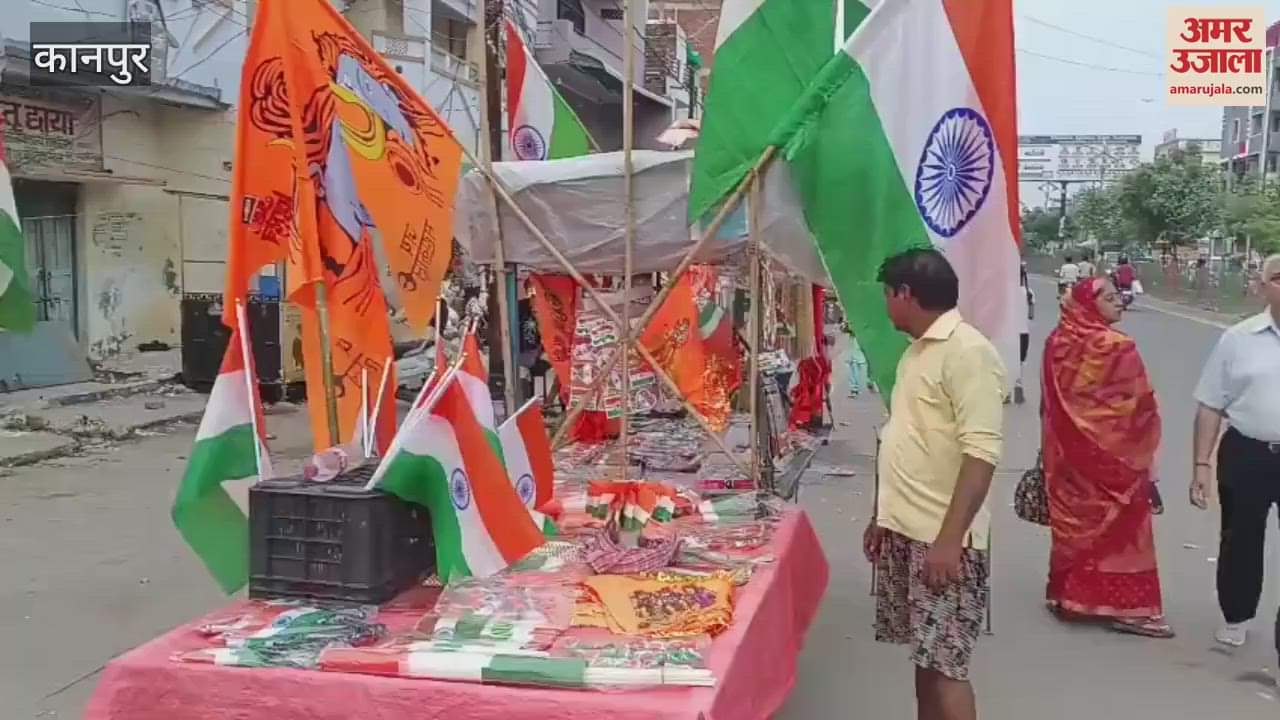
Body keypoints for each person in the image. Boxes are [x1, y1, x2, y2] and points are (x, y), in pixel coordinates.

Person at [863, 248, 1004, 720]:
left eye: (887, 294)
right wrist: (882, 516)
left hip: (942, 537)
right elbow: (907, 436)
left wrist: (949, 540)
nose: (886, 305)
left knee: (947, 667)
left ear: (905, 294)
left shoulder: (968, 353)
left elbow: (981, 454)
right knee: (925, 657)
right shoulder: (917, 352)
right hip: (906, 529)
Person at [1041, 277, 1173, 638]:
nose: (1119, 302)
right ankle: (1130, 610)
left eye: (1119, 296)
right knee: (1126, 531)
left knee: (1076, 525)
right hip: (1118, 459)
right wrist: (1144, 452)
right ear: (1089, 304)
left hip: (1068, 457)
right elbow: (1139, 406)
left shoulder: (1057, 342)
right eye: (1110, 297)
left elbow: (1050, 406)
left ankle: (1069, 598)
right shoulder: (1117, 346)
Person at [1190, 253, 1280, 649]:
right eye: (1278, 278)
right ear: (1262, 287)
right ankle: (1237, 615)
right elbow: (1210, 404)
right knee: (1240, 538)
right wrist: (1201, 464)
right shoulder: (1238, 339)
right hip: (1247, 451)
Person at [842, 325, 869, 397]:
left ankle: (858, 387)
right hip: (853, 345)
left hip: (860, 343)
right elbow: (844, 329)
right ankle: (854, 389)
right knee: (853, 367)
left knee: (858, 367)